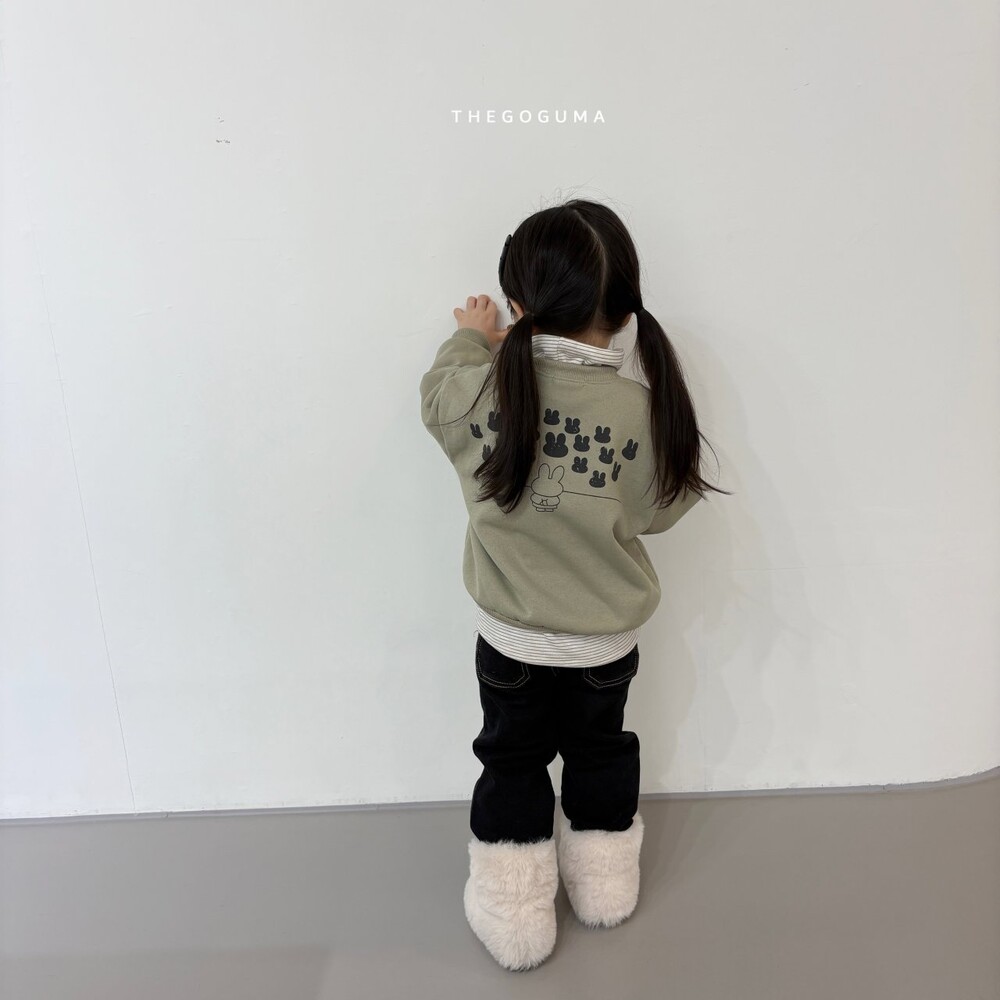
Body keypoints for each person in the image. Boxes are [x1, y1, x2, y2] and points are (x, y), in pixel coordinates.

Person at [418, 198, 729, 971]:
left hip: (511, 642)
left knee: (512, 761)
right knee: (601, 754)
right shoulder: (642, 411)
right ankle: (604, 887)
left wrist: (472, 334)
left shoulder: (480, 390)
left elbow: (436, 395)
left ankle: (514, 914)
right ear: (623, 313)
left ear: (518, 304)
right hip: (604, 647)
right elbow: (663, 510)